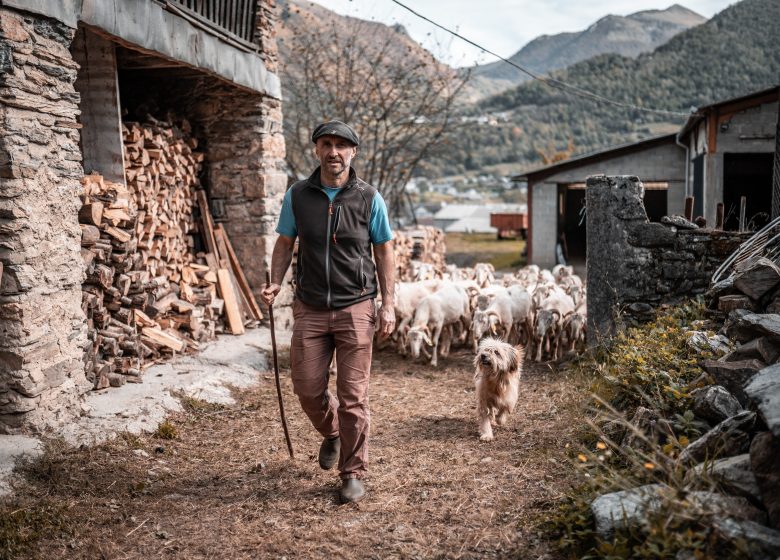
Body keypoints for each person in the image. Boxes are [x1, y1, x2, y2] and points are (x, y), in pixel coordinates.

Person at [260, 120, 396, 504]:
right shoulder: (298, 195)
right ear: (317, 150)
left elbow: (384, 250)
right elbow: (285, 241)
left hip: (356, 307)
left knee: (353, 396)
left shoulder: (370, 197)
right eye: (326, 144)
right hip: (311, 307)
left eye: (341, 145)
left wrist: (389, 303)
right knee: (306, 388)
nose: (333, 151)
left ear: (353, 152)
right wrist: (275, 279)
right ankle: (333, 432)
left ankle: (352, 472)